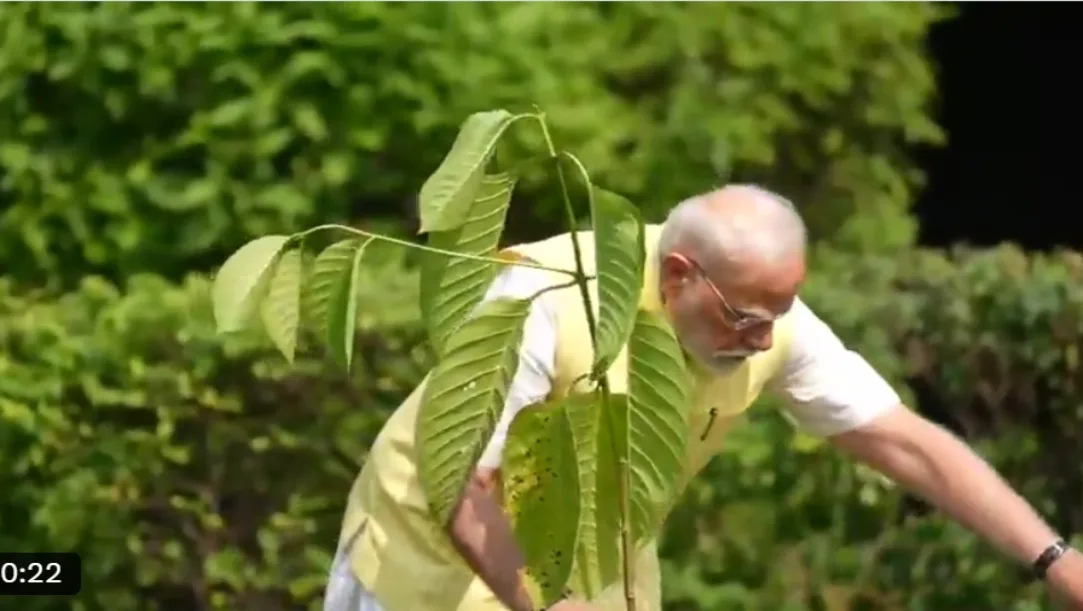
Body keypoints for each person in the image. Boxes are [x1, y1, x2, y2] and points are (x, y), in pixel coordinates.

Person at [322, 185, 1083, 611]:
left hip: (593, 575)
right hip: (425, 573)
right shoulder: (541, 299)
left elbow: (903, 441)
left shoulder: (772, 321)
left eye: (777, 316)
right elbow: (462, 486)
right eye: (745, 317)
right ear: (678, 272)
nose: (762, 340)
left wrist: (1055, 560)